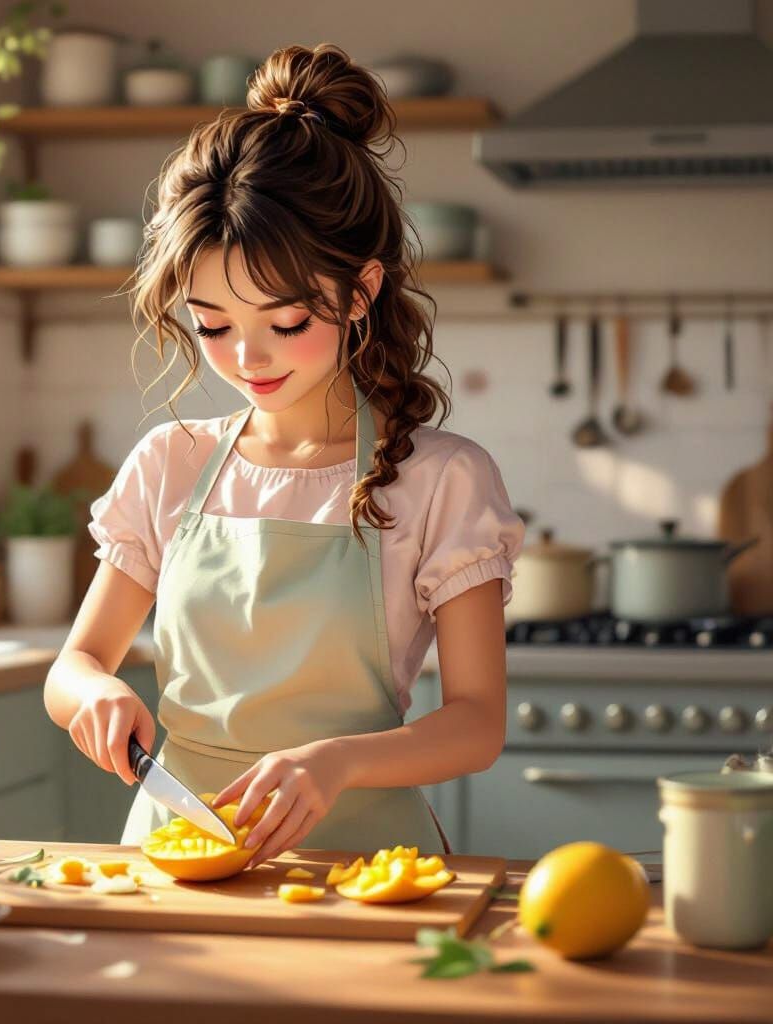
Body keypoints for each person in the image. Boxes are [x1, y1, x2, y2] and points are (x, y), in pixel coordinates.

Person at [44, 43, 525, 867]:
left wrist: (337, 762)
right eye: (214, 325)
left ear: (363, 291)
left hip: (369, 865)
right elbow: (77, 661)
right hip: (178, 856)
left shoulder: (442, 478)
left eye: (287, 323)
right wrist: (93, 692)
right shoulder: (170, 463)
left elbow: (478, 722)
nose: (248, 359)